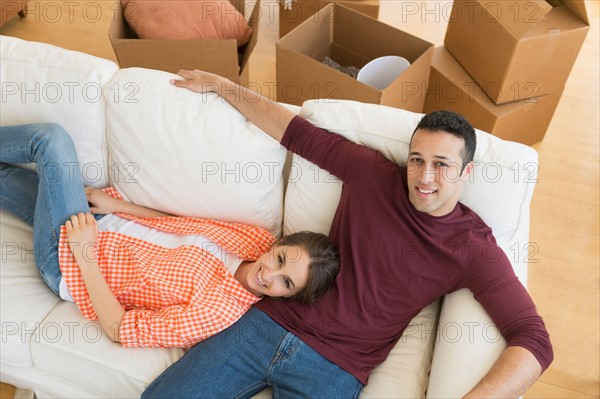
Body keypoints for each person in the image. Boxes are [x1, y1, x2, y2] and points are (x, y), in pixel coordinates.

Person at [141, 70, 553, 398]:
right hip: (264, 326)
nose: (425, 177)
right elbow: (296, 133)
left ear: (467, 172)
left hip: (334, 369)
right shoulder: (372, 174)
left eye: (442, 165)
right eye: (417, 160)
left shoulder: (471, 249)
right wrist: (223, 86)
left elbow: (534, 340)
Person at [0, 123, 340, 348]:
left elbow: (121, 329)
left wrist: (86, 255)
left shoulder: (218, 312)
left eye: (285, 283)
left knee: (50, 140)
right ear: (279, 245)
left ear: (288, 296)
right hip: (96, 217)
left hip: (69, 261)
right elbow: (179, 225)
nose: (269, 274)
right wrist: (119, 207)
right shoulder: (254, 239)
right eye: (280, 260)